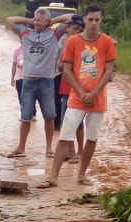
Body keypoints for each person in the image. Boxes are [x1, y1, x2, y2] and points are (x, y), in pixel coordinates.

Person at [38, 5, 115, 188]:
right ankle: (53, 176)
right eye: (91, 19)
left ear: (100, 20)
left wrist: (94, 92)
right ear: (85, 20)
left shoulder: (107, 42)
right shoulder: (73, 42)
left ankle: (81, 175)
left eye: (97, 20)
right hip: (76, 97)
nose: (94, 23)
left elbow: (109, 70)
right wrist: (81, 92)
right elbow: (67, 69)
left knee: (92, 138)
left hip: (98, 98)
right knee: (65, 135)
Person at [5, 9, 72, 159]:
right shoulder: (25, 33)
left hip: (46, 82)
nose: (36, 22)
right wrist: (29, 21)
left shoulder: (54, 34)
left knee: (49, 117)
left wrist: (53, 22)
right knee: (25, 117)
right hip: (28, 82)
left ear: (47, 21)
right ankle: (21, 148)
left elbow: (71, 17)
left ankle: (49, 148)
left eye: (39, 20)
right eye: (35, 19)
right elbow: (9, 19)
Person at [57, 14, 85, 162]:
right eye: (70, 27)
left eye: (74, 28)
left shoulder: (85, 47)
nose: (70, 30)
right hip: (66, 87)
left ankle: (80, 151)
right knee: (65, 121)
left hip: (78, 88)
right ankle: (71, 150)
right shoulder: (66, 44)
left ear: (80, 30)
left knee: (78, 122)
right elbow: (60, 66)